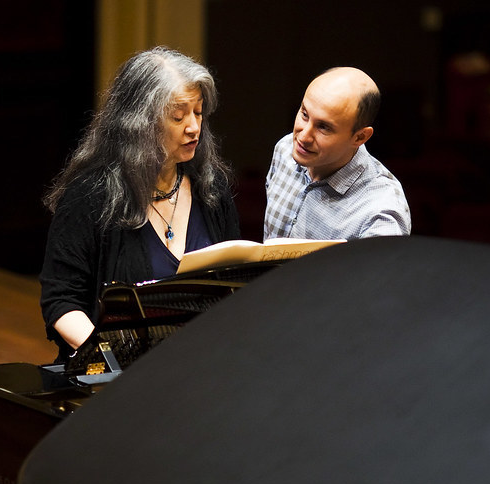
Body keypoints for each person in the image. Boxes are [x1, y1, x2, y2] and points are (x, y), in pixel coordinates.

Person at [40, 47, 240, 361]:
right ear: (139, 122)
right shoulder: (90, 195)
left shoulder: (210, 188)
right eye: (178, 115)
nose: (193, 127)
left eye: (198, 112)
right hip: (120, 375)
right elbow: (61, 301)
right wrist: (109, 356)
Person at [264, 67, 411, 241]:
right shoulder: (285, 149)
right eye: (304, 114)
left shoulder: (381, 210)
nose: (303, 137)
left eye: (323, 127)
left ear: (359, 137)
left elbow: (379, 269)